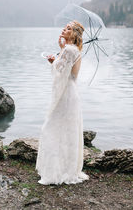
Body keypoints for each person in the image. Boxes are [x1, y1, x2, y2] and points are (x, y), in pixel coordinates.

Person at [35, 20, 89, 185]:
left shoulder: (69, 50)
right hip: (72, 92)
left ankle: (55, 173)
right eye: (65, 27)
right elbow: (70, 71)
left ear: (73, 34)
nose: (64, 30)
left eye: (68, 28)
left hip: (65, 94)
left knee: (52, 128)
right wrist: (60, 51)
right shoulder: (74, 50)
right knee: (67, 131)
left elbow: (60, 72)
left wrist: (53, 61)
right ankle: (66, 169)